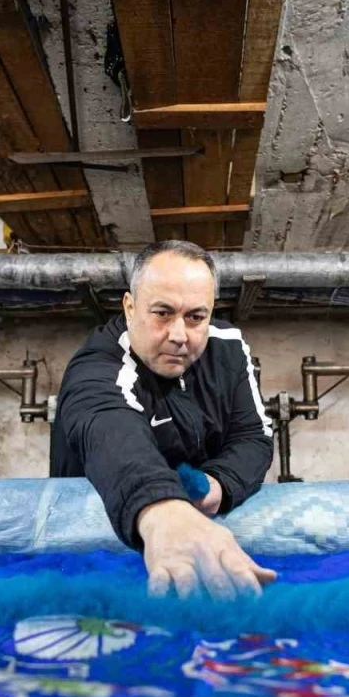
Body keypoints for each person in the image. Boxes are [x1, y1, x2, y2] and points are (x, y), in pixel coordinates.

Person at [50, 241, 277, 600]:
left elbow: (253, 436)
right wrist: (162, 508)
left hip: (194, 539)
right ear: (130, 307)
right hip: (94, 556)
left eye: (196, 317)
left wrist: (217, 486)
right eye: (162, 313)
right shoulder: (99, 364)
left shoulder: (228, 346)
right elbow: (109, 427)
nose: (179, 335)